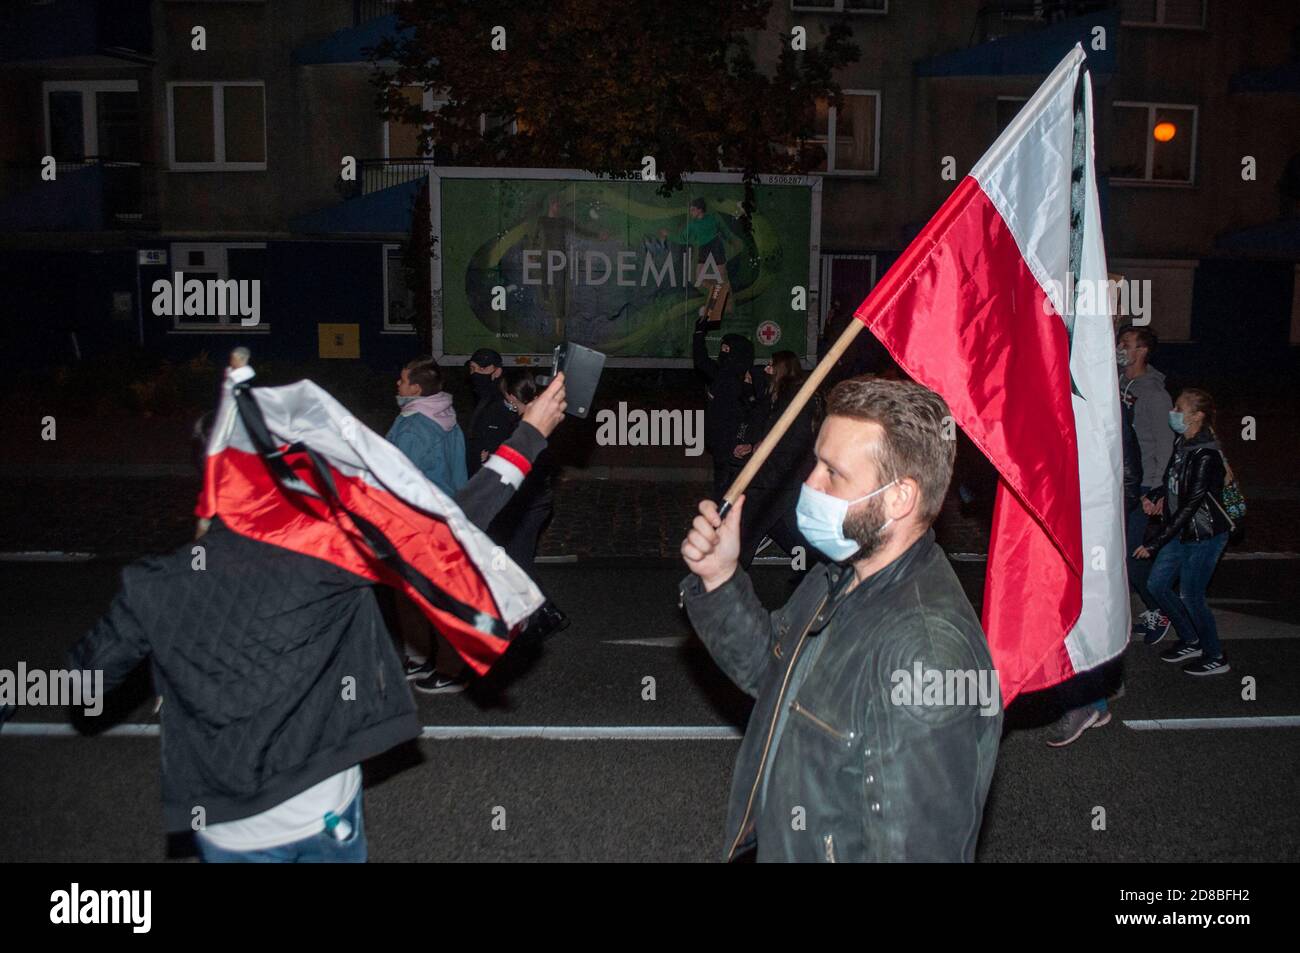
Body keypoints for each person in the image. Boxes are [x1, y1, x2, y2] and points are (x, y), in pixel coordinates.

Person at [66, 372, 568, 862]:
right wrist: (528, 437)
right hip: (324, 812)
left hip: (225, 825)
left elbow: (83, 684)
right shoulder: (328, 552)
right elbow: (439, 533)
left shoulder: (152, 584)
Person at [679, 377, 1001, 862]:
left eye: (833, 472)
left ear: (900, 498)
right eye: (816, 464)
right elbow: (774, 675)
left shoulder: (926, 657)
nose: (810, 484)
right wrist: (721, 578)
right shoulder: (841, 574)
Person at [1134, 388, 1235, 676]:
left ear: (1197, 416)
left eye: (1179, 408)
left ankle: (1215, 655)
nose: (1174, 413)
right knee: (1157, 585)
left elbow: (1193, 503)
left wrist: (1156, 541)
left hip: (1204, 535)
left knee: (1191, 595)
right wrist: (1156, 495)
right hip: (1181, 531)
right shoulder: (1184, 442)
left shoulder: (1206, 454)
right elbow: (1172, 481)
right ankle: (1191, 639)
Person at [481, 369, 569, 642]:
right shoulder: (535, 418)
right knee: (516, 559)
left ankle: (547, 614)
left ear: (510, 396)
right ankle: (541, 614)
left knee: (518, 561)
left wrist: (496, 462)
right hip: (535, 501)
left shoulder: (530, 424)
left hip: (529, 504)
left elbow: (526, 465)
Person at [1117, 326, 1175, 643]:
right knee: (1121, 552)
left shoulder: (1155, 394)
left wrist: (1156, 489)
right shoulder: (1123, 383)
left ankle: (1159, 607)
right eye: (1119, 342)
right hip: (1126, 482)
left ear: (1143, 351)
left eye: (1126, 344)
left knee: (1133, 554)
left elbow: (1166, 445)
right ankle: (1152, 608)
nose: (1120, 348)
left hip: (1145, 487)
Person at [733, 351, 816, 567]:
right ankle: (811, 567)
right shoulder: (780, 396)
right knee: (784, 526)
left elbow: (794, 437)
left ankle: (734, 573)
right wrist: (756, 445)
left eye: (771, 365)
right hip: (780, 474)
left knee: (753, 524)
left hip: (781, 475)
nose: (766, 369)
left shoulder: (794, 399)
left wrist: (767, 448)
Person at [693, 319, 755, 501]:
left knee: (731, 488)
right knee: (723, 485)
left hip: (734, 443)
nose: (724, 356)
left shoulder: (743, 381)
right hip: (720, 442)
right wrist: (699, 334)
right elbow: (702, 361)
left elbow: (751, 414)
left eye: (728, 351)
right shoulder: (722, 374)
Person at [387, 357, 467, 497]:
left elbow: (400, 476)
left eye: (403, 380)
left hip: (423, 506)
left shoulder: (412, 428)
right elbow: (458, 470)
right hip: (448, 501)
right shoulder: (448, 416)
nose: (398, 383)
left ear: (415, 389)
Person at [465, 347, 504, 475]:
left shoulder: (502, 402)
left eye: (482, 369)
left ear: (497, 372)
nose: (476, 373)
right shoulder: (474, 398)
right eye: (472, 368)